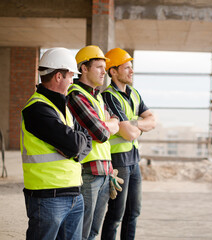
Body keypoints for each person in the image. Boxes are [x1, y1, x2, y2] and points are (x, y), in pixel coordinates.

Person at [20, 47, 92, 240]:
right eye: (70, 76)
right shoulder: (36, 109)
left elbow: (86, 139)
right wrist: (76, 147)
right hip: (47, 197)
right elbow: (75, 144)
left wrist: (75, 147)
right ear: (59, 77)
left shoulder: (63, 108)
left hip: (74, 194)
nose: (72, 81)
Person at [67, 45, 121, 240]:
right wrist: (109, 124)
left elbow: (116, 122)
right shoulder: (76, 95)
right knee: (81, 232)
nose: (103, 72)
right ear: (84, 68)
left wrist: (109, 123)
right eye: (98, 66)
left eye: (104, 67)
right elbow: (101, 133)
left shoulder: (96, 96)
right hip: (88, 172)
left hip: (105, 171)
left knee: (93, 232)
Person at [101, 48, 156, 240]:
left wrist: (133, 126)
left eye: (131, 67)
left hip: (134, 160)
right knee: (116, 214)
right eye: (127, 68)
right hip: (118, 162)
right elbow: (128, 133)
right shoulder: (109, 96)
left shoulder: (134, 93)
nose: (131, 71)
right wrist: (137, 127)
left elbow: (152, 120)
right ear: (113, 71)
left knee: (134, 212)